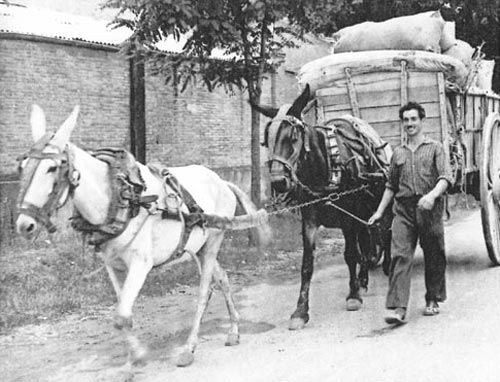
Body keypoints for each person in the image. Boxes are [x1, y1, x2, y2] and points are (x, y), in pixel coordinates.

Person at [368, 101, 453, 325]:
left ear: (422, 121)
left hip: (429, 208)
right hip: (403, 210)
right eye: (406, 120)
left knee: (434, 253)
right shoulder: (398, 153)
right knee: (400, 255)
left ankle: (433, 299)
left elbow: (445, 178)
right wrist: (379, 212)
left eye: (413, 119)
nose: (409, 124)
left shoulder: (435, 148)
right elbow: (391, 186)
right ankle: (398, 308)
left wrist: (432, 196)